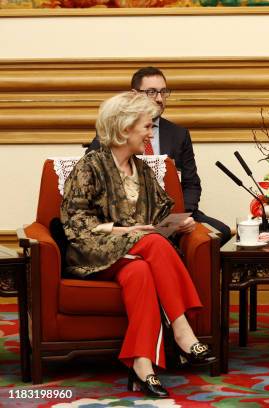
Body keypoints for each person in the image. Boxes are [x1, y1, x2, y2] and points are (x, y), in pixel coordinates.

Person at [62, 92, 214, 398]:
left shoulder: (142, 170)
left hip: (134, 256)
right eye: (146, 126)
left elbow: (157, 218)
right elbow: (75, 223)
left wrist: (178, 223)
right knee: (153, 244)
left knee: (141, 271)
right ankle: (182, 330)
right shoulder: (90, 167)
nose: (150, 133)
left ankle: (142, 365)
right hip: (95, 254)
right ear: (124, 128)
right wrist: (123, 230)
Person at [87, 66, 231, 245]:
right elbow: (93, 185)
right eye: (152, 92)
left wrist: (178, 217)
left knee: (221, 232)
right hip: (128, 216)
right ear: (134, 94)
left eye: (163, 92)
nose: (159, 99)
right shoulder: (113, 135)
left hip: (171, 213)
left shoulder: (179, 134)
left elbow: (191, 184)